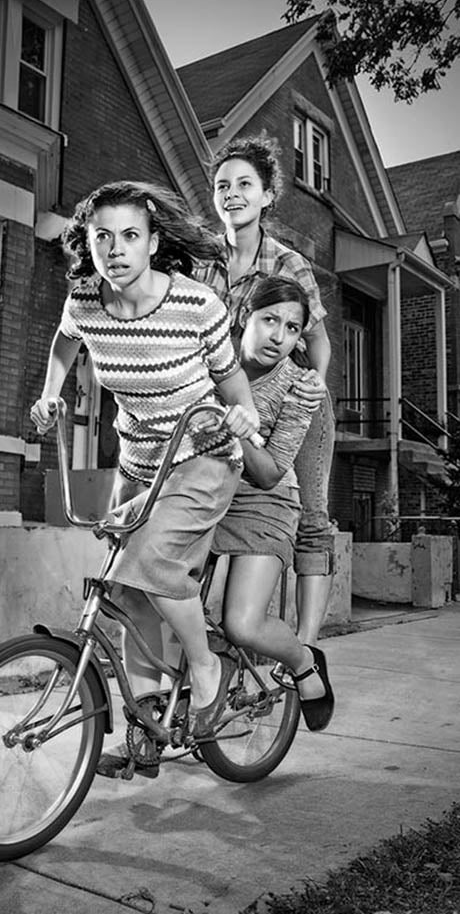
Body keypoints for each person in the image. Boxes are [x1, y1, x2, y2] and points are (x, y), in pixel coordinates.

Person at [30, 179, 261, 757]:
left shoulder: (196, 305)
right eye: (102, 236)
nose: (115, 249)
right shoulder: (85, 300)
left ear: (153, 243)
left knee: (152, 563)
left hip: (203, 457)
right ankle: (149, 724)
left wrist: (241, 418)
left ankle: (207, 668)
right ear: (89, 241)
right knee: (127, 594)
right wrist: (51, 393)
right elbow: (65, 342)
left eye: (130, 235)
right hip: (138, 462)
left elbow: (240, 394)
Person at [194, 133, 335, 679]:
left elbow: (316, 339)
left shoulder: (287, 261)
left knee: (310, 515)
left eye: (244, 185)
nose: (232, 194)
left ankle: (303, 649)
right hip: (231, 393)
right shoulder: (205, 257)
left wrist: (311, 387)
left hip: (292, 394)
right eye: (222, 185)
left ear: (267, 195)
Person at [212, 275, 334, 732]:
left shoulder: (300, 387)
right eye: (269, 321)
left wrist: (234, 430)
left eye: (293, 328)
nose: (279, 336)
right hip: (204, 491)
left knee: (242, 624)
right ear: (246, 317)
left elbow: (270, 473)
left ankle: (304, 662)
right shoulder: (212, 359)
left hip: (264, 503)